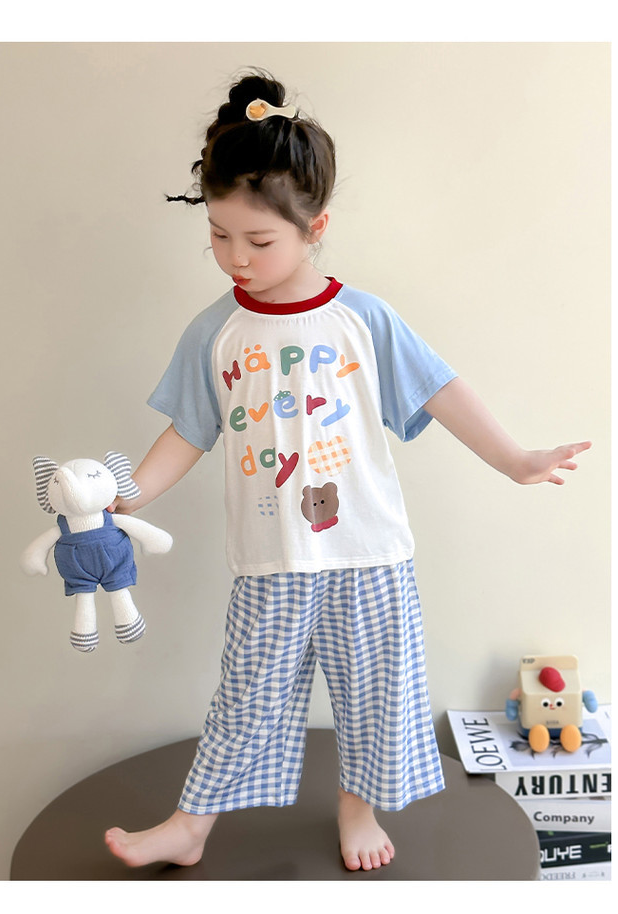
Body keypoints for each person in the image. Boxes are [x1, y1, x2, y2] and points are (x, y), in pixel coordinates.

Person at [104, 70, 590, 872]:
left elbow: (439, 389)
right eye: (219, 236)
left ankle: (356, 810)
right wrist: (129, 495)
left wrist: (514, 459)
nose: (235, 258)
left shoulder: (362, 319)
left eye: (259, 241)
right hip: (270, 561)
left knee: (375, 701)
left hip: (369, 554)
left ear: (315, 226)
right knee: (245, 698)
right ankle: (191, 827)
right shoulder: (215, 332)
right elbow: (188, 430)